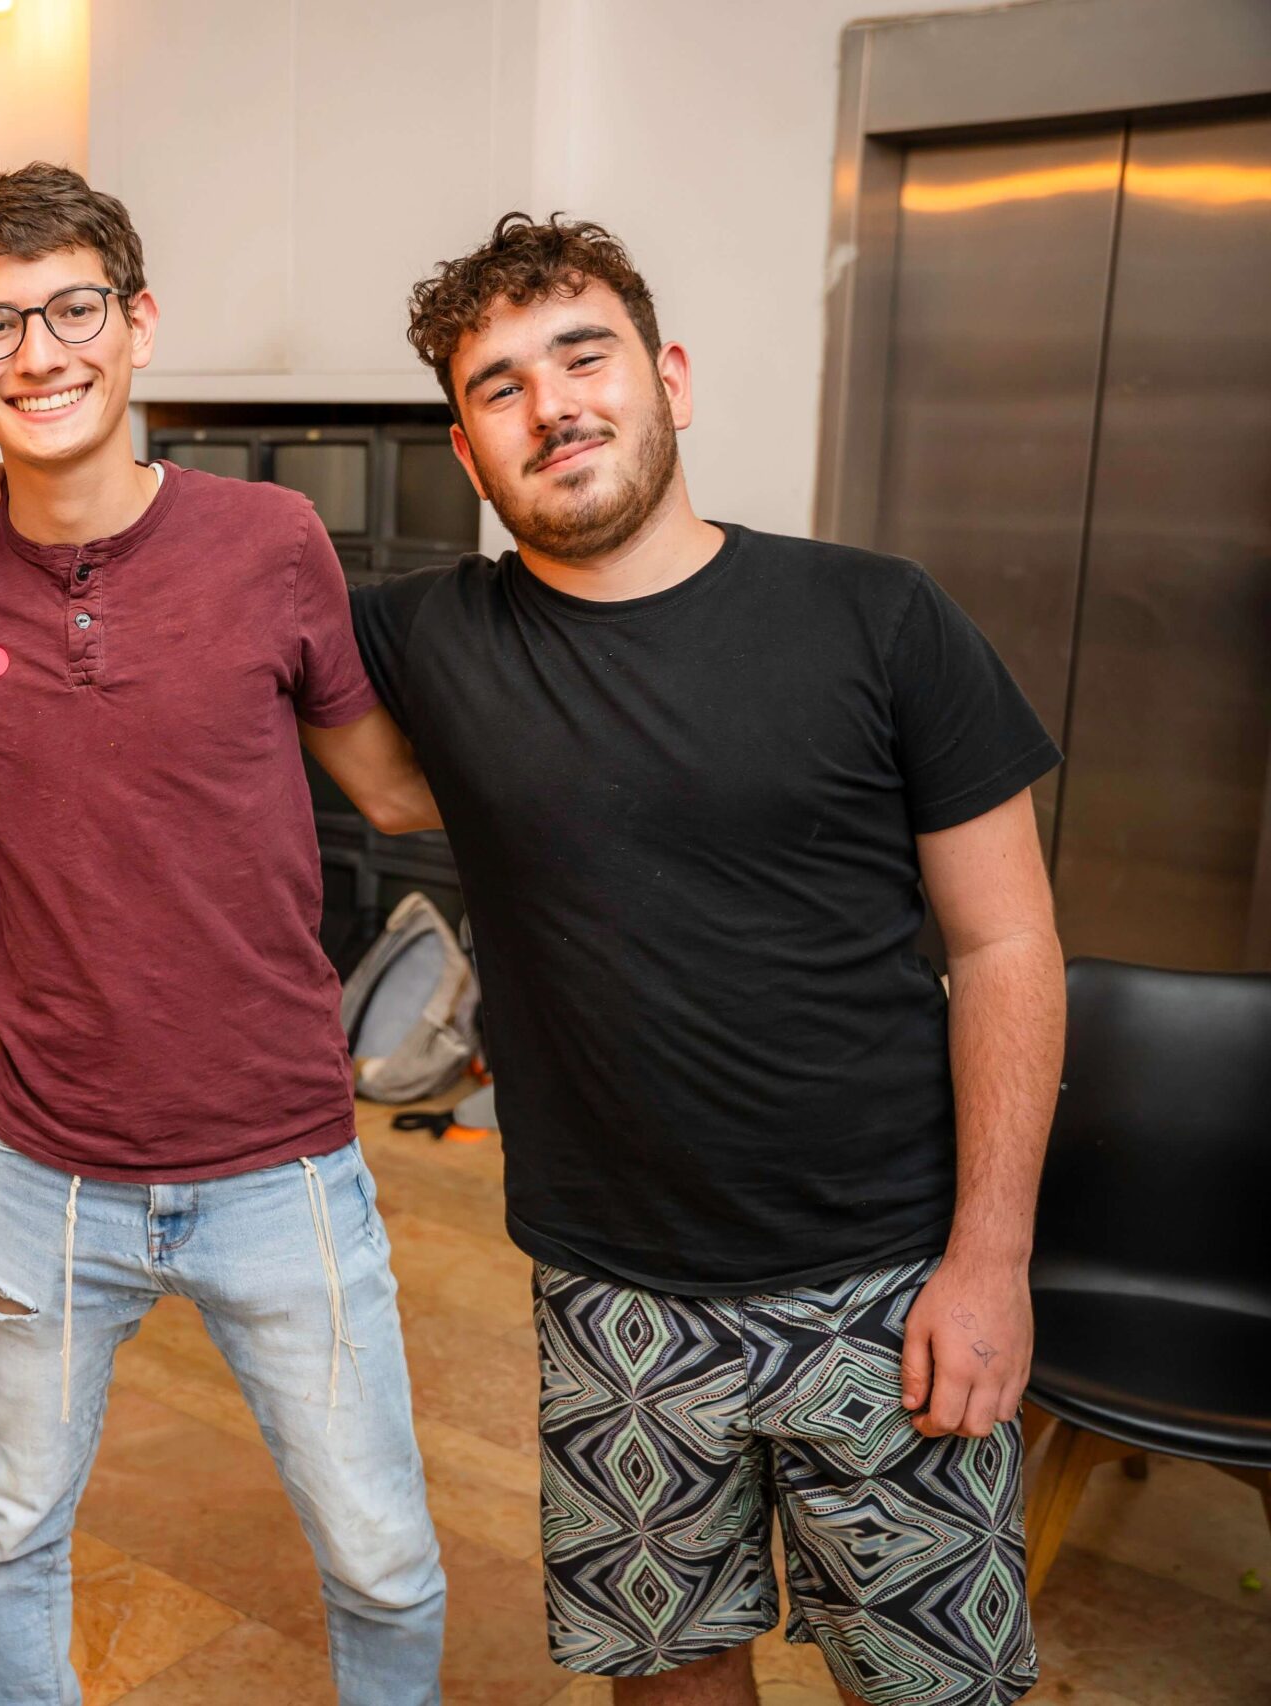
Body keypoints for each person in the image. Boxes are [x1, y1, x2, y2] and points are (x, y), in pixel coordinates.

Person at [353, 215, 1060, 1705]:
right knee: (668, 1678)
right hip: (608, 1292)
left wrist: (989, 1258)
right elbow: (192, 598)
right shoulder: (431, 637)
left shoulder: (878, 614)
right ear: (468, 454)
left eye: (584, 355)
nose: (552, 405)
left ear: (668, 376)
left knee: (937, 1690)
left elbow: (1006, 943)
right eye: (499, 387)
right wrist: (9, 493)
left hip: (885, 1277)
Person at [0, 163, 450, 1706]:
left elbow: (393, 790)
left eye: (74, 310)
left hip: (283, 1163)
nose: (40, 351)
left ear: (138, 323)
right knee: (7, 1538)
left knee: (385, 1558)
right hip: (49, 1174)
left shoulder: (273, 539)